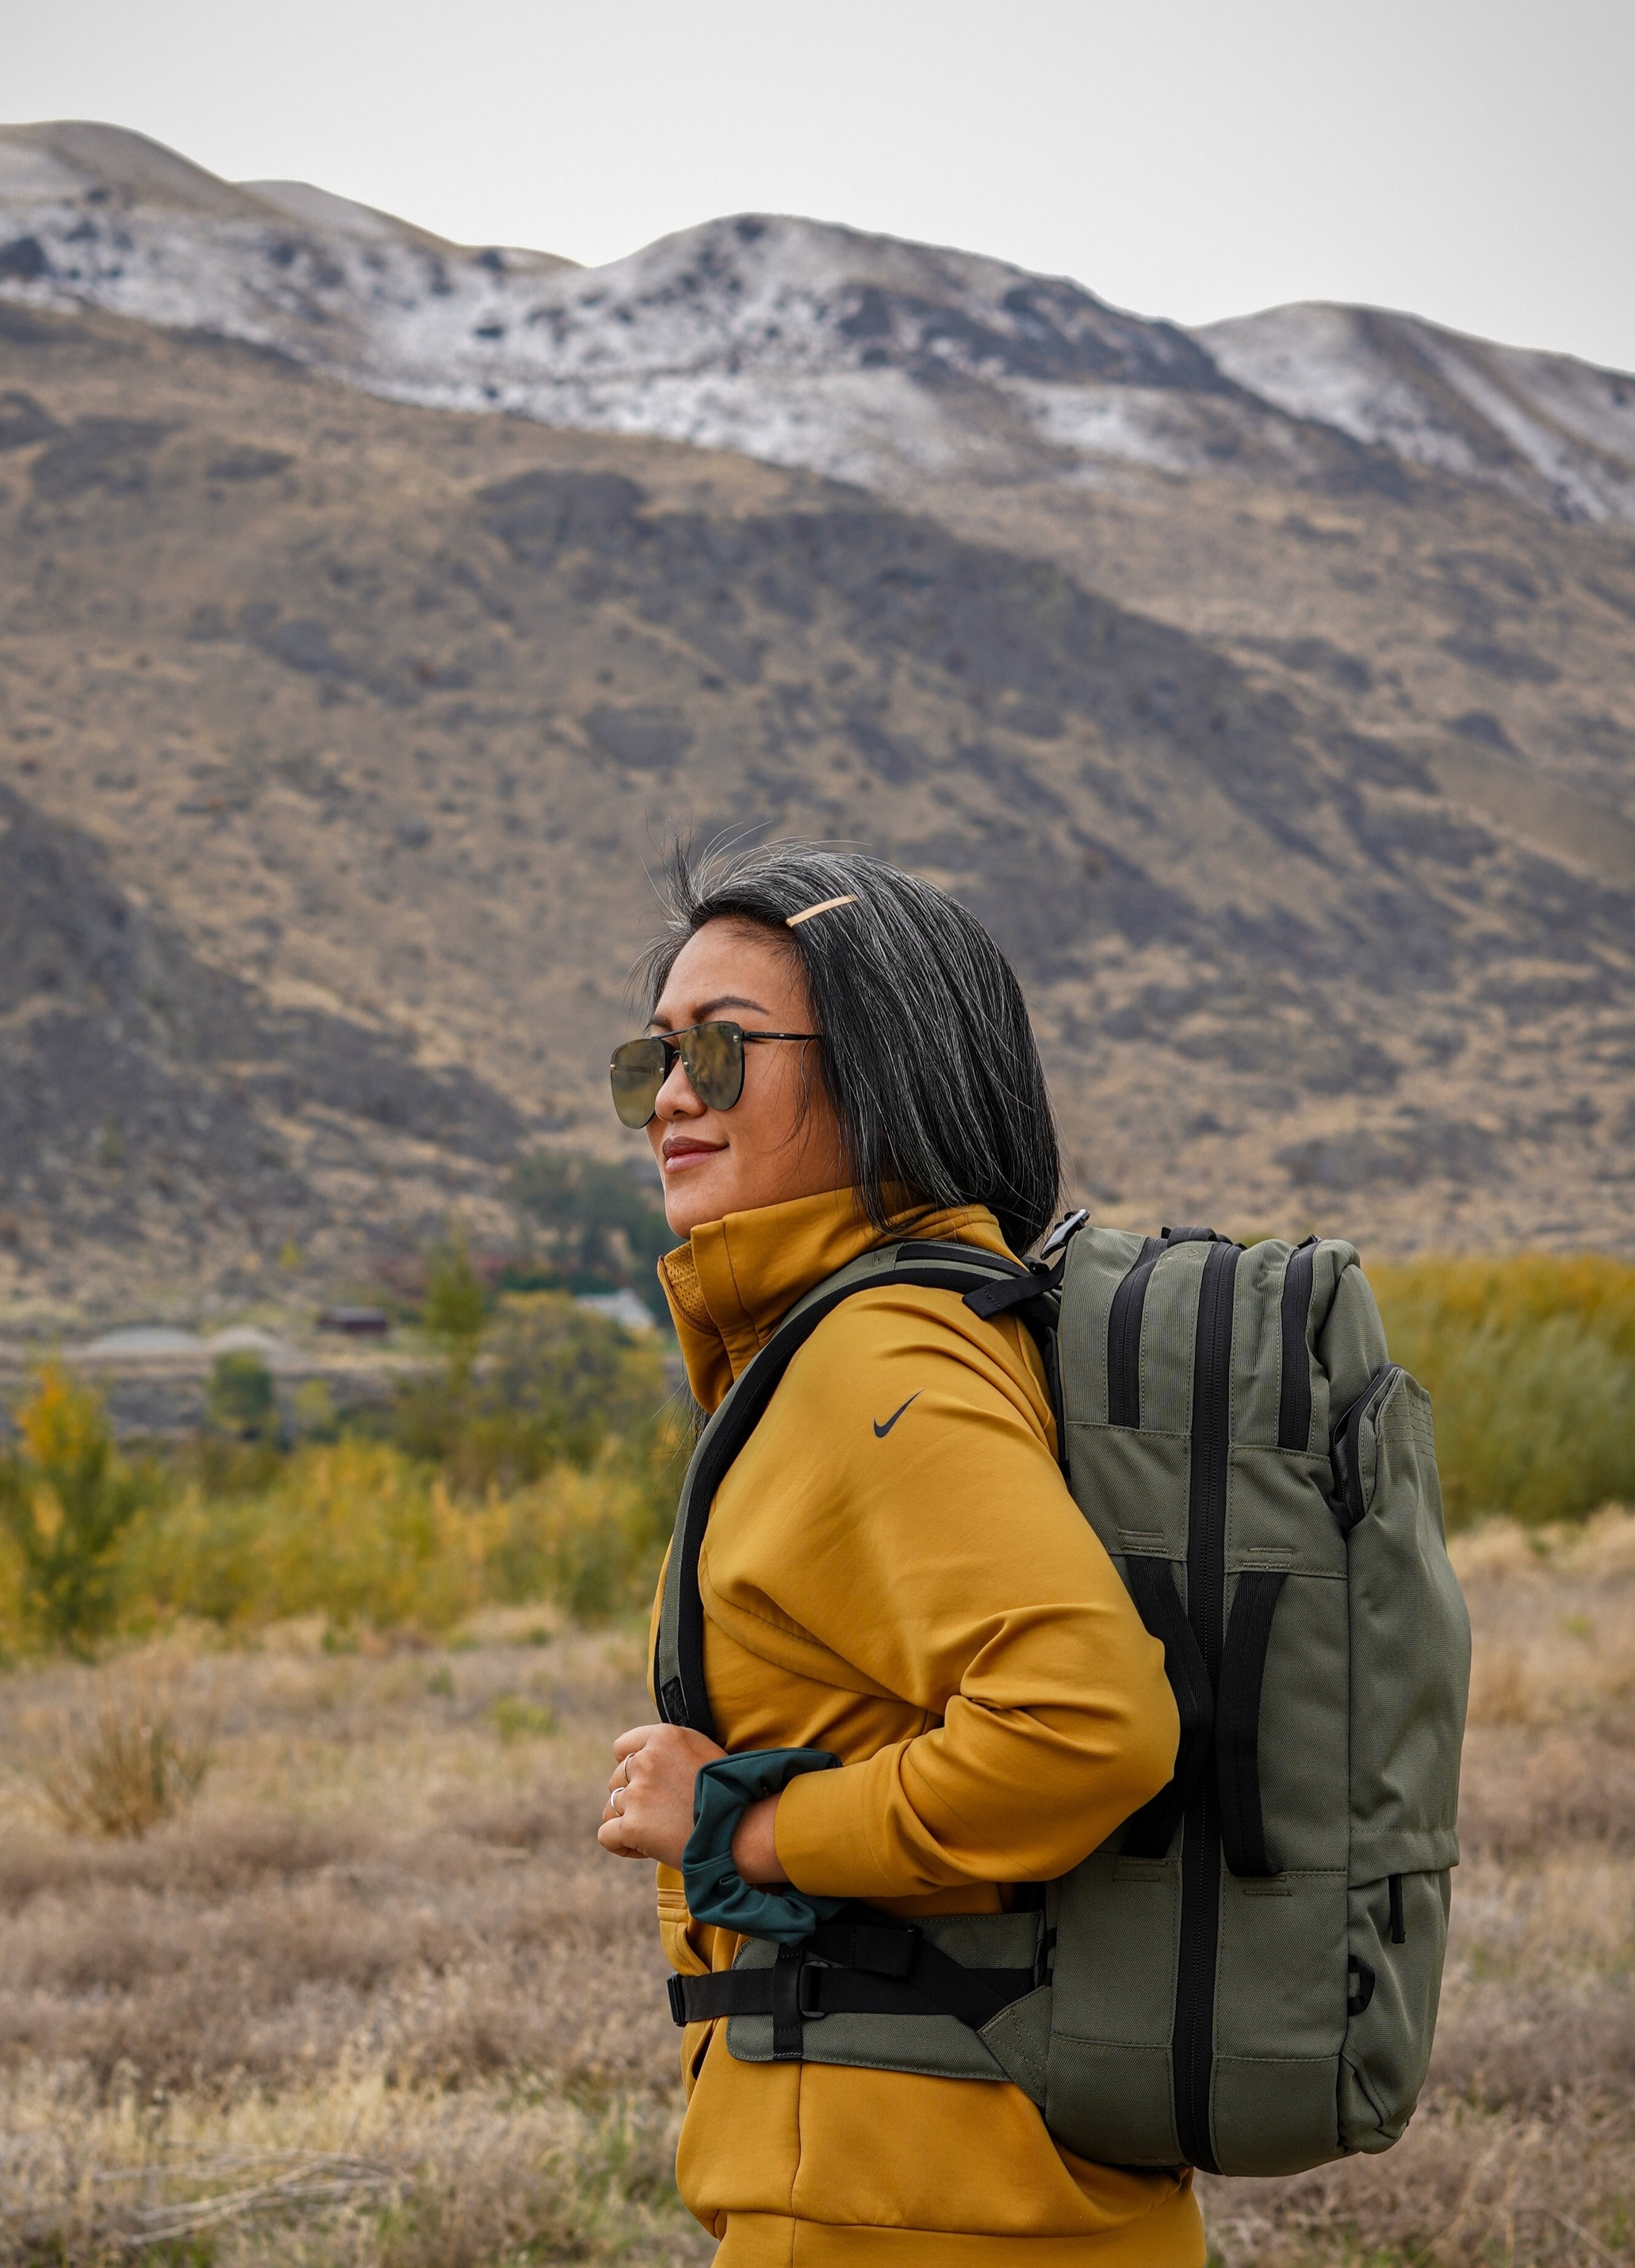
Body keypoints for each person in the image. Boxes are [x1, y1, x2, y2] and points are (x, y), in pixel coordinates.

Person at [595, 843, 1198, 2266]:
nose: (672, 1095)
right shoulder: (906, 1327)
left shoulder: (877, 1357)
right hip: (961, 2185)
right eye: (654, 1059)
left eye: (722, 1051)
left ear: (881, 1070)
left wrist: (746, 1828)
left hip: (907, 2205)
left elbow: (1086, 1722)